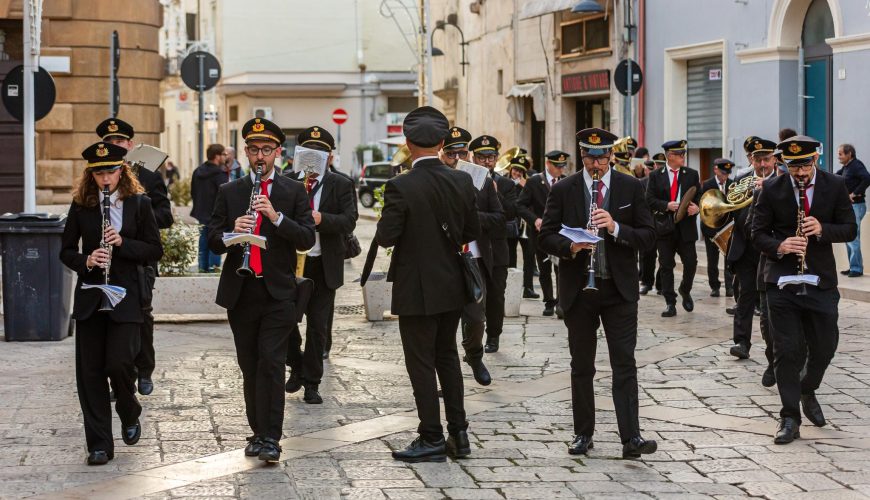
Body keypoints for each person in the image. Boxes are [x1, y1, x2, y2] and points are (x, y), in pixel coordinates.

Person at [538, 128, 657, 459]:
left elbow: (648, 236)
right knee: (581, 365)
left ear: (611, 157)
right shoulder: (564, 189)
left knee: (624, 363)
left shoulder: (631, 187)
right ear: (581, 156)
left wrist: (615, 227)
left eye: (601, 157)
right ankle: (582, 433)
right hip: (580, 290)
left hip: (618, 289)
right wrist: (571, 246)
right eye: (589, 157)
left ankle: (631, 437)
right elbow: (545, 236)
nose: (595, 163)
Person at [369, 106, 480, 462]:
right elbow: (470, 232)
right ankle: (459, 435)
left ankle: (431, 436)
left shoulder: (401, 185)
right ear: (444, 143)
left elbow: (386, 237)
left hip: (416, 285)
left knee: (420, 362)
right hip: (452, 283)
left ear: (407, 143)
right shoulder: (462, 180)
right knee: (447, 356)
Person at [208, 117, 316, 462]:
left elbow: (306, 239)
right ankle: (257, 431)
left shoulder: (292, 191)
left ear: (278, 153)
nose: (260, 156)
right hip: (241, 292)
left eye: (266, 150)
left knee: (271, 362)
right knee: (250, 365)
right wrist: (230, 232)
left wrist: (276, 218)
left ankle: (272, 437)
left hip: (278, 293)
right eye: (254, 149)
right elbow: (211, 238)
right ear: (245, 151)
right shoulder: (231, 191)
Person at [60, 142, 163, 465]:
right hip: (92, 295)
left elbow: (154, 250)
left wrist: (122, 243)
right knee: (89, 373)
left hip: (127, 296)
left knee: (119, 363)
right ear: (91, 175)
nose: (106, 179)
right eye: (99, 173)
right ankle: (100, 444)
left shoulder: (140, 204)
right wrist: (87, 259)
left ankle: (128, 409)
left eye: (111, 171)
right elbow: (65, 250)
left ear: (123, 171)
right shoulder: (82, 206)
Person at [751, 135, 856, 444]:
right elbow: (757, 234)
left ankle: (807, 388)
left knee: (826, 345)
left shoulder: (834, 186)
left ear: (816, 160)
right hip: (781, 281)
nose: (800, 173)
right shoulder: (771, 189)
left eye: (805, 165)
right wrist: (780, 245)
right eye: (794, 166)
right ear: (785, 163)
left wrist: (823, 229)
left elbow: (850, 228)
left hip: (820, 279)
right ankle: (789, 416)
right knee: (787, 349)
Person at [96, 118, 173, 396]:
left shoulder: (148, 177)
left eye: (119, 142)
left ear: (129, 145)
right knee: (111, 319)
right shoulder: (98, 174)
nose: (114, 146)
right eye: (109, 142)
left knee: (141, 315)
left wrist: (139, 212)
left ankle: (144, 370)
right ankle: (120, 375)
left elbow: (166, 217)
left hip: (140, 260)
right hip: (106, 260)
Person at [283, 126, 358, 404]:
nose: (314, 157)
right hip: (292, 263)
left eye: (321, 153)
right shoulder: (288, 180)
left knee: (318, 326)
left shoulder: (341, 183)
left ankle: (312, 382)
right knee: (287, 321)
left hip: (323, 264)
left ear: (329, 157)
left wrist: (321, 219)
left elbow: (349, 220)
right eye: (308, 152)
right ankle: (296, 365)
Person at [437, 126, 494, 386]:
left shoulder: (483, 181)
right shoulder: (434, 180)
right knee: (442, 323)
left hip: (472, 259)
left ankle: (474, 354)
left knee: (476, 318)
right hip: (442, 260)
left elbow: (501, 218)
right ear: (441, 154)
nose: (457, 159)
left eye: (462, 153)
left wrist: (470, 214)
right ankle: (445, 375)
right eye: (451, 154)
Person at [727, 139, 777, 388]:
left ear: (775, 159)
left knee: (769, 304)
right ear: (751, 160)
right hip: (746, 249)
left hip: (771, 251)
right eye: (757, 159)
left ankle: (773, 352)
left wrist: (765, 191)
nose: (762, 164)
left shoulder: (781, 183)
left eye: (767, 159)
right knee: (745, 296)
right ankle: (741, 343)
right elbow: (731, 211)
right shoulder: (740, 181)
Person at [469, 135, 516, 352]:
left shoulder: (505, 184)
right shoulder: (465, 179)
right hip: (472, 249)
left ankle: (493, 336)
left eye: (491, 157)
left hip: (496, 249)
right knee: (473, 297)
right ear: (473, 157)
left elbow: (510, 214)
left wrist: (497, 194)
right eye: (482, 157)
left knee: (496, 295)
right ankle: (471, 339)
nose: (487, 162)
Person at [645, 140, 701, 317]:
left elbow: (699, 197)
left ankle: (685, 289)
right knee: (666, 265)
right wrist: (666, 205)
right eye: (680, 154)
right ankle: (670, 302)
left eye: (684, 154)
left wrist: (696, 208)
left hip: (686, 227)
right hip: (664, 227)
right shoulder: (656, 175)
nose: (683, 157)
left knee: (691, 262)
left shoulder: (692, 174)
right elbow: (649, 199)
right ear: (670, 156)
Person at [517, 150, 569, 317]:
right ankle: (549, 301)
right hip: (540, 233)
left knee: (561, 268)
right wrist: (535, 220)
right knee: (544, 268)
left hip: (561, 233)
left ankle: (562, 302)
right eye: (557, 166)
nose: (560, 169)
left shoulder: (566, 181)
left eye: (562, 166)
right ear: (548, 164)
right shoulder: (534, 181)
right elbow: (520, 205)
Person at [191, 144, 229, 273]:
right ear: (217, 156)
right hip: (216, 214)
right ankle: (214, 270)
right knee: (215, 242)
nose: (226, 157)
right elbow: (225, 196)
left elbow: (193, 192)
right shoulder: (220, 173)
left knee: (203, 241)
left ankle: (202, 268)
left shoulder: (197, 171)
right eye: (224, 154)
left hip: (201, 212)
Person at [700, 158, 734, 298]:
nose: (725, 176)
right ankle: (714, 286)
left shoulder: (732, 184)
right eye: (722, 173)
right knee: (712, 260)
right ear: (715, 170)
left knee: (729, 259)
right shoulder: (707, 184)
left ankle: (729, 287)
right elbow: (704, 207)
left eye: (727, 173)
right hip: (711, 228)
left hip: (728, 228)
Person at [835, 144, 870, 277]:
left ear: (849, 154)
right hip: (849, 207)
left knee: (853, 237)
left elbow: (867, 178)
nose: (838, 157)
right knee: (848, 236)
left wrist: (854, 194)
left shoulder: (856, 165)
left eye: (840, 154)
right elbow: (834, 177)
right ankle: (853, 266)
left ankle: (857, 269)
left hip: (857, 206)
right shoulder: (846, 167)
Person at [507, 156, 538, 299]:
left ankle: (528, 288)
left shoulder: (528, 184)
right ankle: (510, 287)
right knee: (511, 257)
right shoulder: (505, 183)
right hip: (511, 225)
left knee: (529, 256)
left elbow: (533, 203)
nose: (517, 173)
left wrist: (526, 187)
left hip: (526, 225)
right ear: (510, 169)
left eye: (520, 171)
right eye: (515, 169)